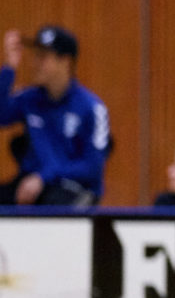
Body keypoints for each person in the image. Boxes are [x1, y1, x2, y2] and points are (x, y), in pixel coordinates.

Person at [0, 25, 110, 207]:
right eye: (35, 56)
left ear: (65, 62)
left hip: (69, 187)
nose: (34, 63)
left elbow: (93, 168)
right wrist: (9, 67)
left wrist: (44, 177)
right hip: (33, 184)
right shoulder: (30, 98)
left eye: (43, 57)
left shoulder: (91, 108)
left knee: (56, 204)